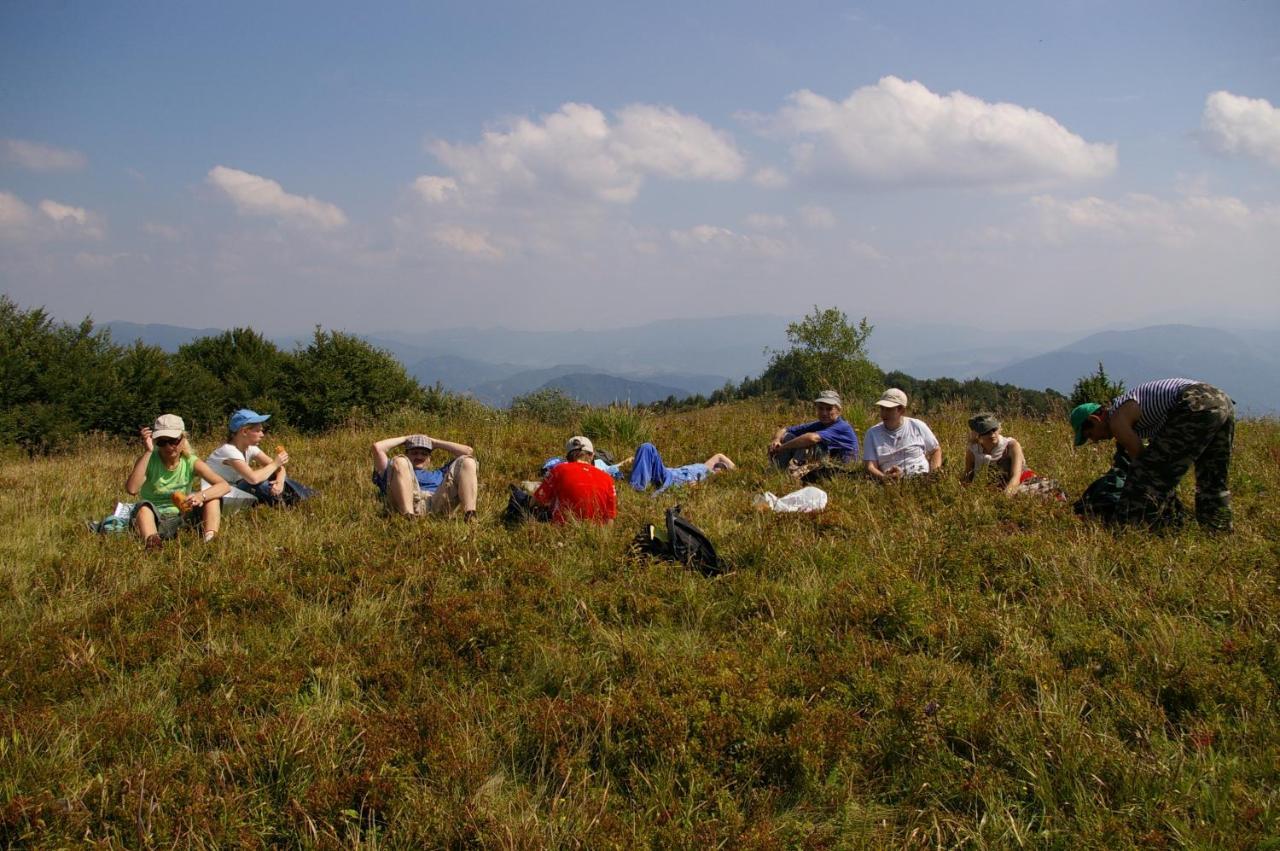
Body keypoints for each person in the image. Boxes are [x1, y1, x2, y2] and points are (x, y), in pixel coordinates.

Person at [1070, 378, 1234, 530]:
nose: (1095, 440)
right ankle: (1218, 531)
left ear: (1094, 419)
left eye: (1090, 435)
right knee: (1213, 477)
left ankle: (1133, 529)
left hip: (1194, 403)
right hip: (1220, 401)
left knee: (1145, 478)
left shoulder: (1116, 421)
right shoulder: (1130, 407)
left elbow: (1144, 466)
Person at [125, 414, 231, 549]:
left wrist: (200, 496)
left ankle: (210, 540)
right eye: (162, 442)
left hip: (183, 515)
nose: (169, 447)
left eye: (173, 441)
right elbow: (132, 489)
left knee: (213, 498)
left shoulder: (190, 461)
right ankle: (153, 542)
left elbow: (224, 486)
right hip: (156, 519)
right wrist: (148, 452)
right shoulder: (149, 460)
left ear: (183, 438)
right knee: (143, 507)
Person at [203, 409, 312, 511]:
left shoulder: (250, 448)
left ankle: (306, 497)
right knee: (257, 483)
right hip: (220, 496)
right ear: (244, 431)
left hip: (235, 489)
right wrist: (275, 464)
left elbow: (280, 468)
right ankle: (293, 503)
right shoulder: (228, 450)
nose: (262, 434)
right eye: (258, 431)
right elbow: (253, 479)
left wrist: (279, 482)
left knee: (272, 476)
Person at [371, 432, 478, 521]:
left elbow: (468, 451)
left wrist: (434, 442)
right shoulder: (395, 469)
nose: (419, 456)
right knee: (399, 460)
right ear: (407, 455)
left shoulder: (440, 473)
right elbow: (377, 448)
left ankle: (470, 515)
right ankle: (408, 517)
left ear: (429, 459)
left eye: (424, 454)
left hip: (438, 501)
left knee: (468, 461)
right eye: (414, 453)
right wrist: (406, 439)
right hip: (411, 502)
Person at [962, 413, 1061, 498]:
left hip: (1021, 483)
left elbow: (1015, 476)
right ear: (978, 435)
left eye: (994, 429)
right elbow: (968, 477)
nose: (992, 434)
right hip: (994, 489)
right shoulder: (973, 451)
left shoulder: (1011, 445)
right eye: (986, 431)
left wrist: (1004, 498)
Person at [863, 388, 941, 482]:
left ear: (901, 410)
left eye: (888, 409)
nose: (883, 413)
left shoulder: (917, 426)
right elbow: (870, 466)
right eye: (882, 408)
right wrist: (884, 478)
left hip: (922, 479)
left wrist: (934, 474)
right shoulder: (872, 434)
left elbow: (935, 450)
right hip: (891, 482)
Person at [533, 436, 617, 524]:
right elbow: (610, 519)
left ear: (568, 456)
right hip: (596, 531)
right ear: (592, 456)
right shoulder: (608, 479)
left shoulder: (559, 469)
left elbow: (538, 500)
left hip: (562, 527)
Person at [768, 390, 859, 470]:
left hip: (842, 469)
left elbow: (811, 438)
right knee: (787, 436)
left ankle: (796, 470)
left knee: (809, 442)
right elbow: (784, 429)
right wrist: (776, 440)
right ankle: (777, 469)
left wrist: (783, 447)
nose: (824, 413)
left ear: (839, 411)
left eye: (829, 409)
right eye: (821, 408)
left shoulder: (842, 426)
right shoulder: (820, 424)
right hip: (826, 466)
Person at [629, 442, 736, 492]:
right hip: (668, 472)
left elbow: (697, 485)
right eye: (720, 465)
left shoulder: (710, 477)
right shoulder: (706, 466)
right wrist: (733, 468)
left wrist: (720, 474)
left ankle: (637, 488)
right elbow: (719, 455)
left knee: (648, 447)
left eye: (723, 468)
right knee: (646, 447)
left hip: (676, 479)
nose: (720, 467)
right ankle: (638, 482)